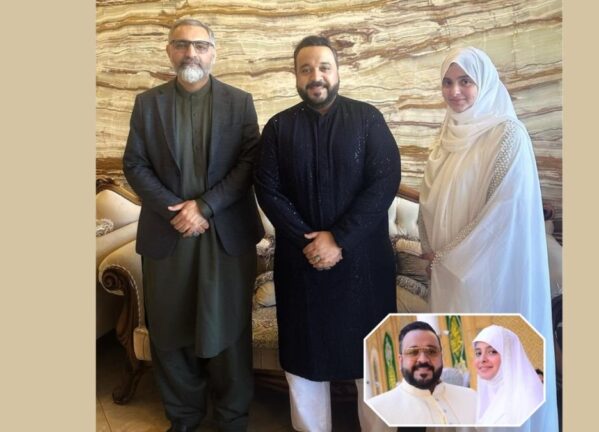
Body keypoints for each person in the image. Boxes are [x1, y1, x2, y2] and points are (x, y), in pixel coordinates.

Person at [254, 35, 401, 431]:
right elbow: (268, 189)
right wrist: (310, 240)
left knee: (374, 361)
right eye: (306, 69)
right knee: (305, 366)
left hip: (364, 266)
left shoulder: (368, 119)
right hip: (301, 268)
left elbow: (384, 182)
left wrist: (338, 239)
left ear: (337, 72)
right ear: (295, 77)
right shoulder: (279, 127)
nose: (315, 76)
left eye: (323, 67)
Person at [123, 18, 263, 432]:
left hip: (224, 235)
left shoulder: (240, 102)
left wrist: (204, 207)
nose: (191, 53)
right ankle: (183, 417)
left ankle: (232, 417)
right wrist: (176, 209)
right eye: (182, 45)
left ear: (213, 53)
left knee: (229, 330)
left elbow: (249, 162)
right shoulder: (148, 104)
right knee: (169, 328)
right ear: (169, 51)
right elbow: (135, 163)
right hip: (168, 235)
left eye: (200, 46)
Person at [418, 47, 559, 431]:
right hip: (447, 277)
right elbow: (429, 202)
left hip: (490, 276)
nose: (455, 91)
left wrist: (448, 254)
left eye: (465, 81)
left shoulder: (507, 135)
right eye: (447, 82)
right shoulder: (445, 136)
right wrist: (430, 248)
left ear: (485, 84)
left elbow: (503, 214)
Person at [367, 321, 477, 427]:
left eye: (431, 351)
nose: (423, 360)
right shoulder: (376, 409)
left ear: (441, 357)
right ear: (401, 361)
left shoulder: (472, 398)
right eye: (413, 352)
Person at [472, 325, 544, 426]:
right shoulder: (481, 397)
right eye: (478, 353)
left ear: (508, 355)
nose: (482, 359)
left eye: (492, 352)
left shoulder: (527, 397)